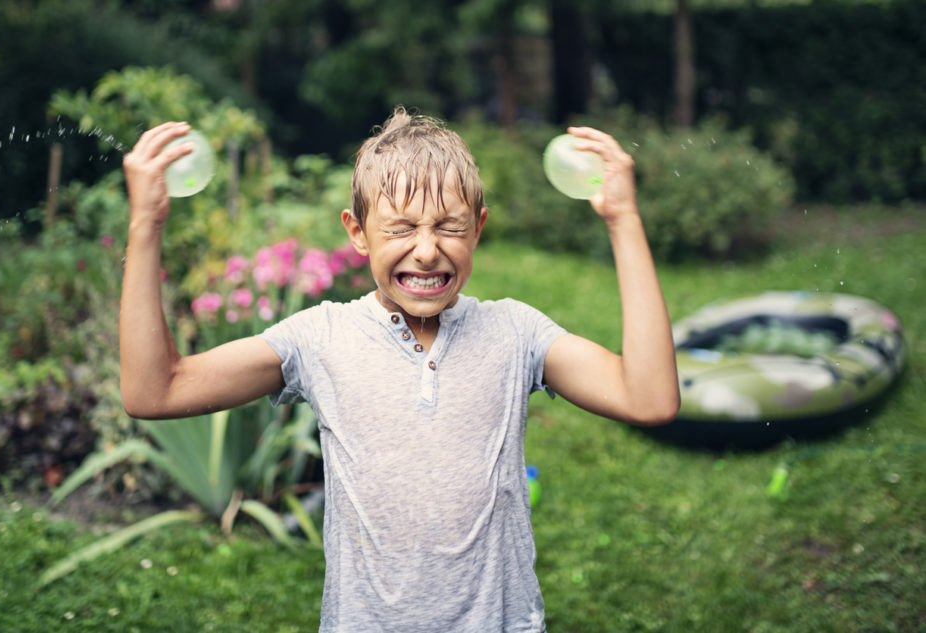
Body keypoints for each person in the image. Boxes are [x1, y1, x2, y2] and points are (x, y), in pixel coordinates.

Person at [120, 107, 680, 633]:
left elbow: (648, 398)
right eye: (401, 228)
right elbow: (156, 391)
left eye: (449, 227)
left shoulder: (517, 334)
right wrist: (145, 224)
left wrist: (624, 220)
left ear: (478, 229)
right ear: (358, 232)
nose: (427, 249)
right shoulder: (320, 338)